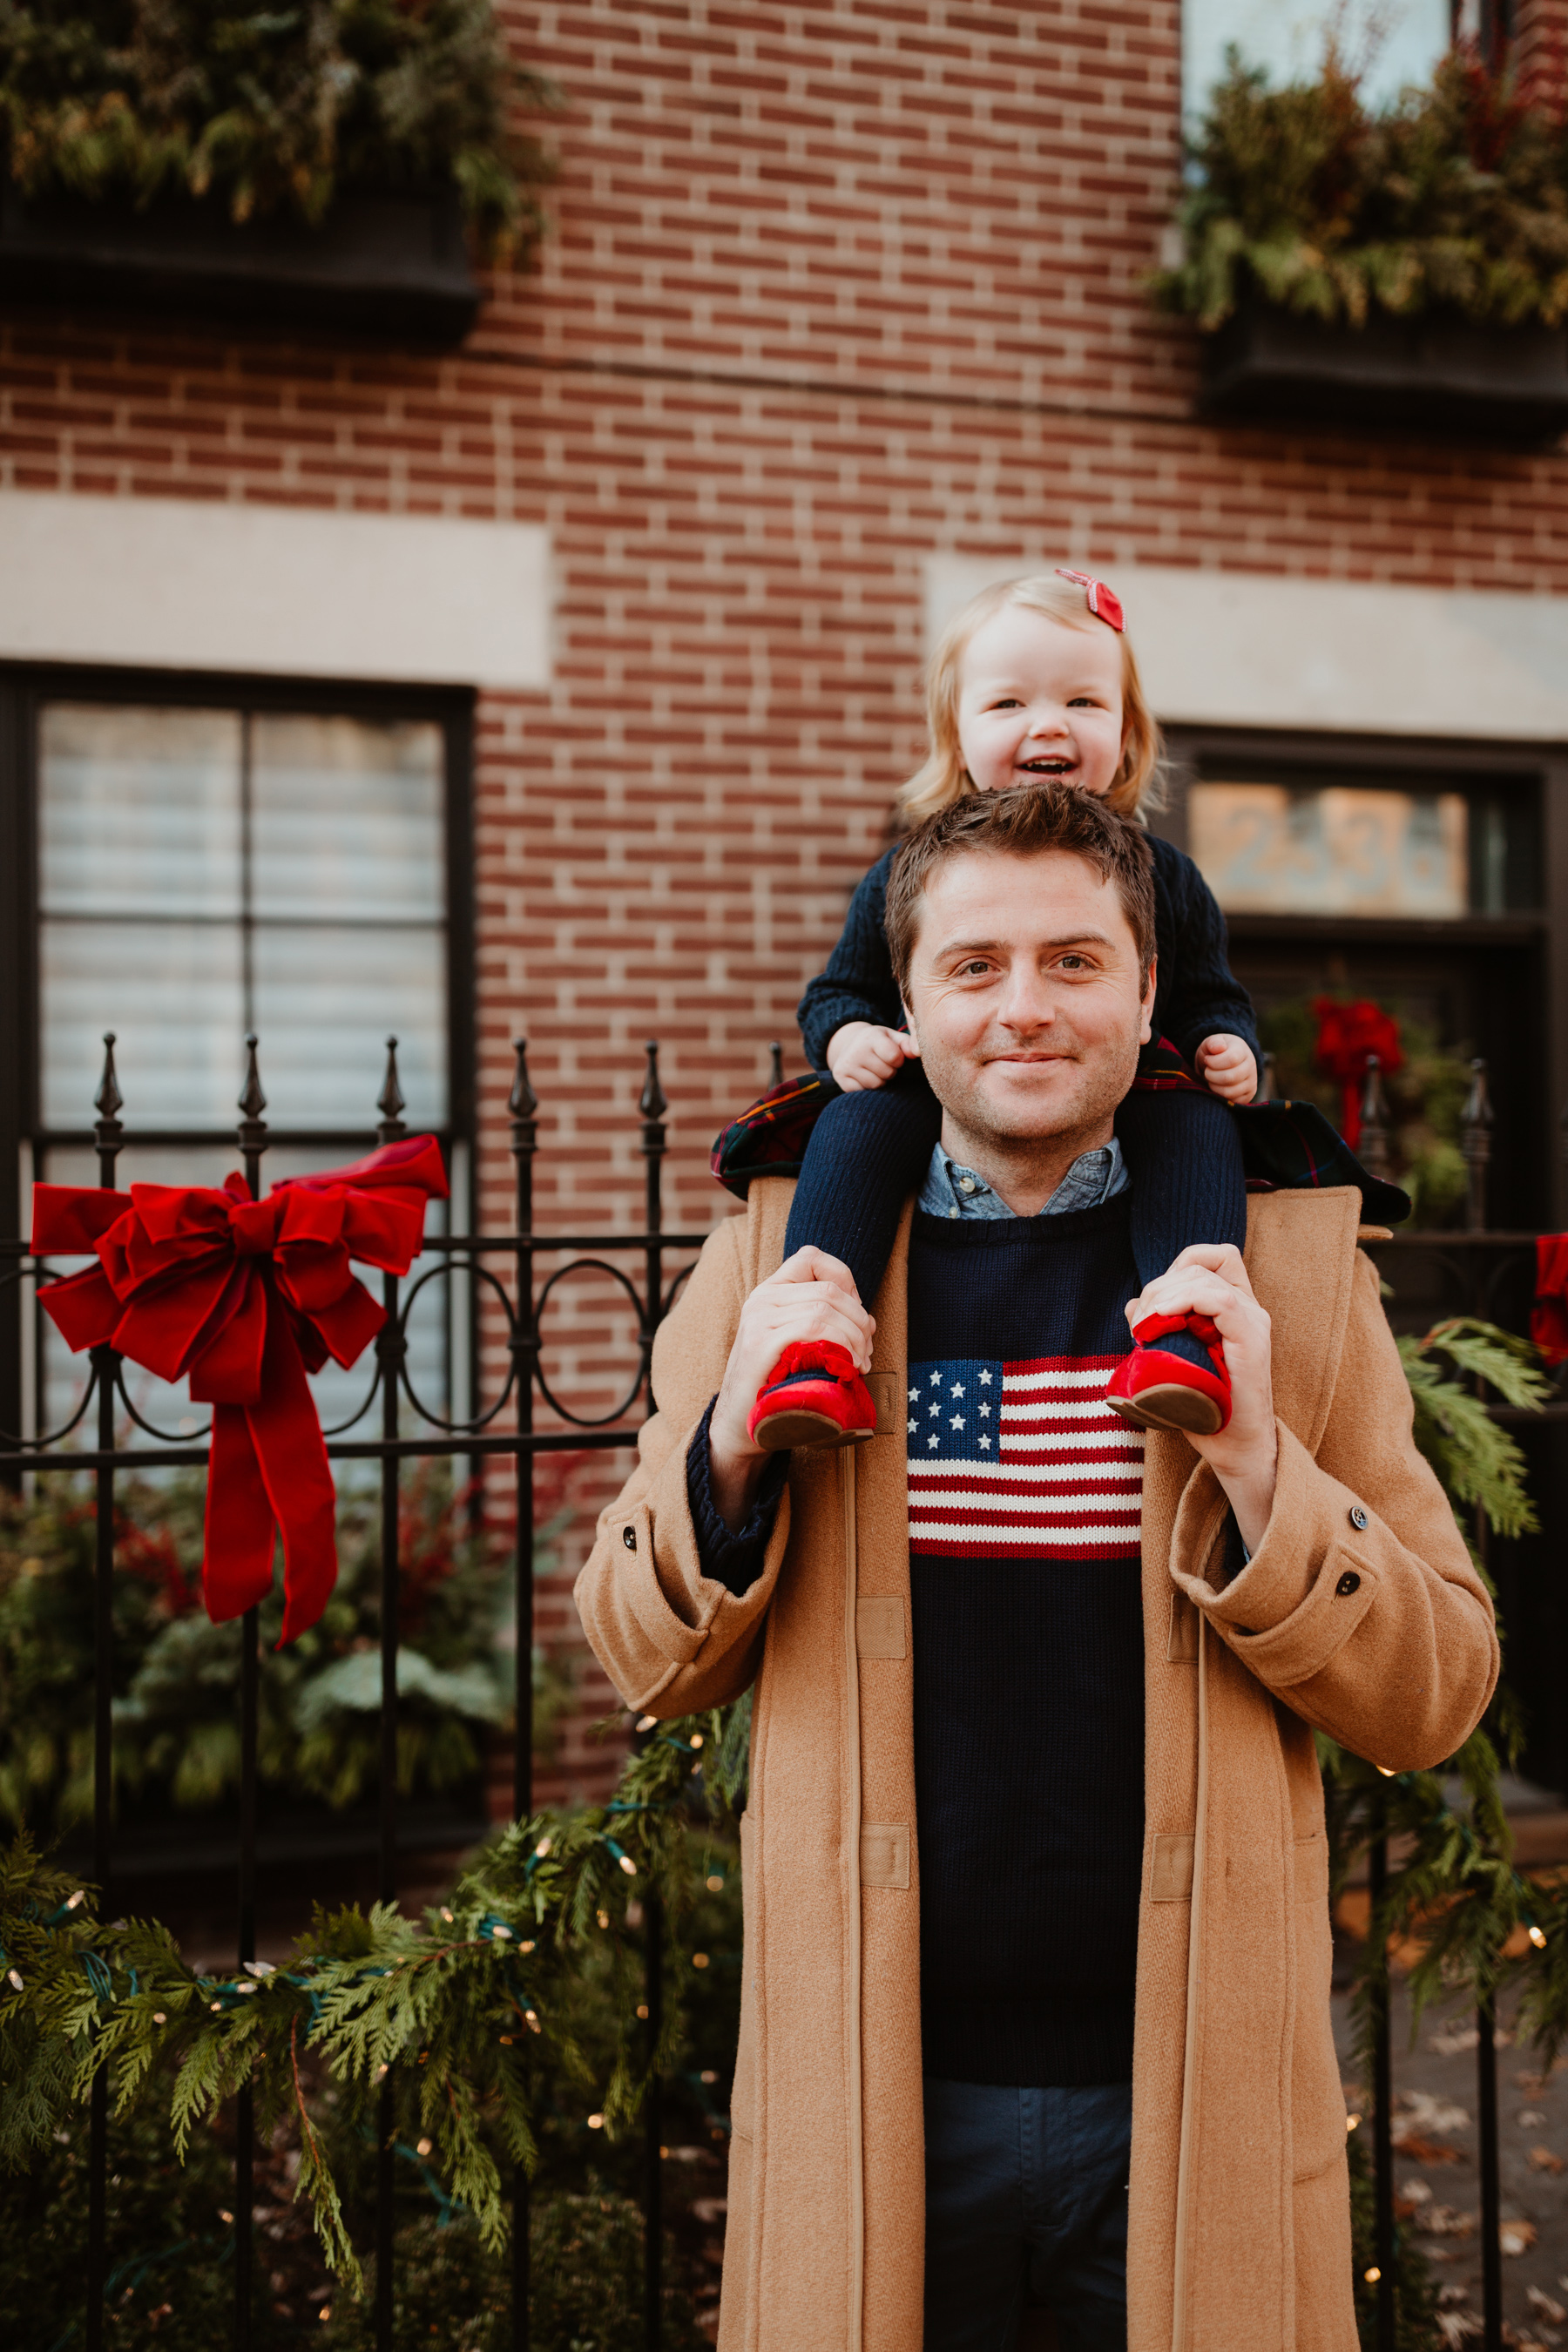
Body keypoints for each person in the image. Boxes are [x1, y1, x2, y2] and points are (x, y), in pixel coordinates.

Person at [575, 781, 1497, 2352]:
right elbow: (642, 1655)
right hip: (872, 2089)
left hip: (1187, 2088)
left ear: (1151, 995)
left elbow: (1437, 1696)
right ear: (904, 1002)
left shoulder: (1285, 1278)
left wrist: (1265, 1467)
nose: (1024, 1009)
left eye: (1075, 962)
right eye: (976, 965)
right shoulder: (779, 1255)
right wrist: (731, 1437)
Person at [752, 568, 1260, 1455]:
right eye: (1010, 703)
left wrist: (1226, 1040)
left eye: (1082, 701)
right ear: (956, 733)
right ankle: (816, 1339)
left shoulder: (1166, 876)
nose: (1050, 723)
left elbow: (1212, 990)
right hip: (931, 1081)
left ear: (1128, 733)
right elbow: (838, 990)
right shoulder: (909, 872)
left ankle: (1185, 1334)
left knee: (1198, 1125)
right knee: (855, 1127)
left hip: (1137, 1081)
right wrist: (849, 1037)